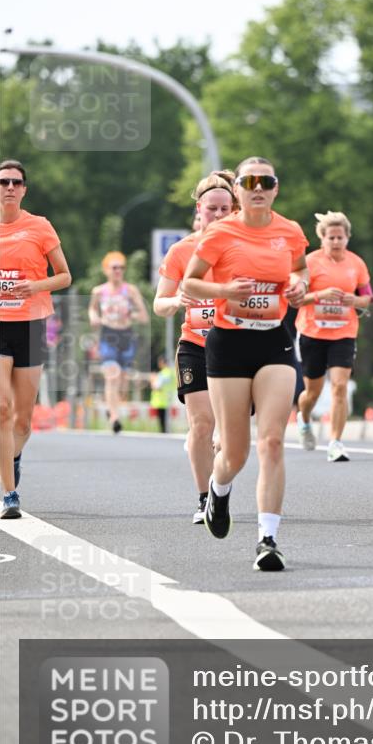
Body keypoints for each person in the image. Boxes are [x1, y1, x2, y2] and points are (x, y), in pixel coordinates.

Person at [183, 157, 308, 571]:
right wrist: (223, 289)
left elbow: (301, 273)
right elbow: (190, 282)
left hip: (275, 342)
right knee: (234, 453)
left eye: (265, 181)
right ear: (237, 189)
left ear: (275, 188)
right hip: (228, 344)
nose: (257, 187)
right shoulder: (220, 232)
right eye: (248, 181)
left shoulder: (289, 231)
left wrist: (299, 288)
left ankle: (267, 539)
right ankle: (218, 491)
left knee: (272, 441)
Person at [153, 171, 237, 522]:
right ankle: (205, 499)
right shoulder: (181, 250)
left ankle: (219, 481)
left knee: (229, 433)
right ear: (199, 210)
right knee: (201, 424)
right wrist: (176, 301)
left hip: (236, 345)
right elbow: (159, 303)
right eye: (211, 209)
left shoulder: (243, 247)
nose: (218, 216)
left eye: (225, 209)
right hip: (195, 344)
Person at [0, 159, 71, 519]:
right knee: (2, 408)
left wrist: (35, 285)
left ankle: (12, 457)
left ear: (24, 189)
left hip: (30, 324)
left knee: (23, 421)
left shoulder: (39, 226)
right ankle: (9, 493)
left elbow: (64, 276)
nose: (9, 187)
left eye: (16, 182)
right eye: (3, 182)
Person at [295, 211, 372, 462]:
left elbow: (367, 298)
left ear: (347, 238)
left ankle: (335, 442)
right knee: (312, 393)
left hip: (344, 333)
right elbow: (295, 299)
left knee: (340, 387)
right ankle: (304, 418)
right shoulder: (310, 262)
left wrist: (355, 300)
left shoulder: (356, 264)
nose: (336, 242)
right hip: (312, 333)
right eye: (331, 237)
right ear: (322, 239)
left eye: (340, 237)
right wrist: (319, 295)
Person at [88, 252, 149, 433]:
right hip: (108, 335)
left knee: (122, 380)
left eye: (121, 267)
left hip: (126, 336)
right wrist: (94, 318)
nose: (118, 271)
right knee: (112, 376)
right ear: (106, 270)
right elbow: (92, 309)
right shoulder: (99, 291)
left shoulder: (130, 291)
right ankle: (114, 417)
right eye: (114, 267)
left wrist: (130, 313)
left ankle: (110, 407)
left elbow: (144, 317)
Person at [149, 355, 176, 432]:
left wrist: (152, 380)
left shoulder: (163, 374)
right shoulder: (171, 373)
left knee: (163, 424)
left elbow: (156, 387)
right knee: (166, 423)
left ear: (162, 363)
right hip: (169, 400)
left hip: (161, 401)